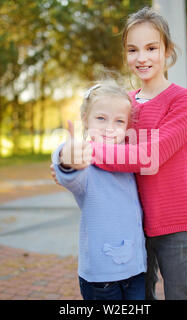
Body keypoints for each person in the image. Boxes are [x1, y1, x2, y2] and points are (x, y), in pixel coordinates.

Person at [51, 6, 187, 300]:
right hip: (135, 224)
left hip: (176, 221)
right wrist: (66, 161)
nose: (141, 57)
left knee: (179, 295)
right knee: (142, 296)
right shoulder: (125, 103)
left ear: (167, 50)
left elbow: (148, 157)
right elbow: (96, 137)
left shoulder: (183, 101)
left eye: (151, 48)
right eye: (133, 50)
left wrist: (89, 152)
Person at [51, 80, 147, 300]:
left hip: (136, 269)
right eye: (101, 118)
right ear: (86, 119)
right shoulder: (86, 160)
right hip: (102, 278)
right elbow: (70, 172)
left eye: (119, 121)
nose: (110, 127)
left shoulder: (128, 158)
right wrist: (67, 158)